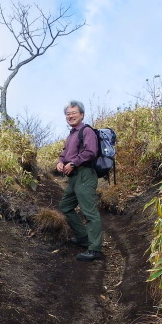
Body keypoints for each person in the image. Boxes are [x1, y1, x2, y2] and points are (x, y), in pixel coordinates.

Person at [56, 100, 103, 262]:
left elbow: (91, 152)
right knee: (65, 206)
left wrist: (73, 163)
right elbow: (65, 153)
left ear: (81, 115)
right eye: (68, 114)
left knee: (89, 212)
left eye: (74, 113)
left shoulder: (86, 131)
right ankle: (83, 237)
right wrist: (60, 162)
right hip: (74, 177)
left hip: (85, 174)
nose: (70, 116)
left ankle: (95, 249)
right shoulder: (72, 134)